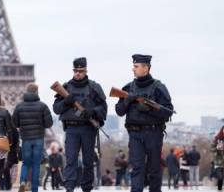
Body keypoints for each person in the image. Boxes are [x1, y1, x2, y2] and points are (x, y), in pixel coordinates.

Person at [115, 54, 174, 192]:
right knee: (137, 169)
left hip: (153, 133)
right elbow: (119, 111)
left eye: (136, 66)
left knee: (154, 170)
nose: (133, 69)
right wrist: (126, 101)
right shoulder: (128, 88)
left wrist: (148, 110)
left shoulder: (159, 87)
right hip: (135, 134)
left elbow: (168, 112)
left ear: (146, 68)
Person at [53, 57, 107, 192]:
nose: (78, 73)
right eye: (76, 70)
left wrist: (92, 111)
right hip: (71, 128)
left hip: (88, 129)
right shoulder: (65, 87)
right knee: (71, 159)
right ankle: (69, 187)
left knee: (88, 161)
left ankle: (87, 187)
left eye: (81, 71)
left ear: (86, 70)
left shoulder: (94, 87)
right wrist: (66, 102)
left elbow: (103, 108)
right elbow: (56, 109)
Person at [13, 82, 53, 192]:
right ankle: (34, 189)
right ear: (36, 92)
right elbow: (49, 124)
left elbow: (14, 123)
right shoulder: (43, 106)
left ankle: (22, 182)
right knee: (36, 164)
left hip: (26, 139)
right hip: (39, 138)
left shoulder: (19, 106)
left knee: (26, 163)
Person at [212, 126, 224, 190]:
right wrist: (217, 148)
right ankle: (219, 188)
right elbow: (212, 149)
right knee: (220, 176)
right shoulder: (217, 139)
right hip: (219, 160)